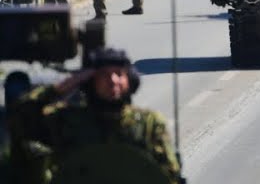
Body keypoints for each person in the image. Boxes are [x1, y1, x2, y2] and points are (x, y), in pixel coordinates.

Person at [9, 47, 182, 183]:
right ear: (90, 82)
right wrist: (61, 87)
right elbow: (19, 119)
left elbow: (169, 173)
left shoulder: (148, 123)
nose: (113, 80)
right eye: (105, 75)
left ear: (130, 81)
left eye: (119, 74)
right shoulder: (68, 120)